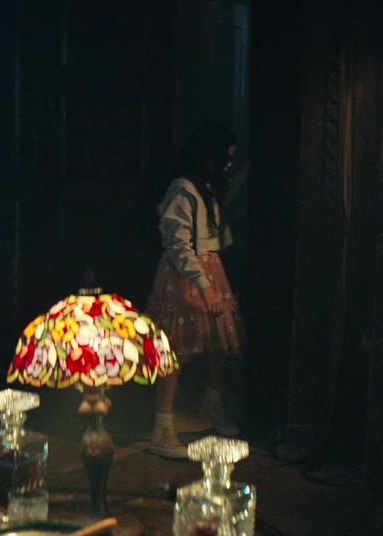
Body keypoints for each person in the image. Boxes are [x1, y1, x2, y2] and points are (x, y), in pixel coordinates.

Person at [145, 120, 246, 458]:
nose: (229, 164)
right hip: (183, 274)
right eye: (225, 158)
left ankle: (212, 403)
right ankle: (162, 427)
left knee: (218, 341)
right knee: (175, 348)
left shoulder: (208, 187)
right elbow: (177, 244)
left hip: (210, 266)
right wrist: (204, 286)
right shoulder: (183, 189)